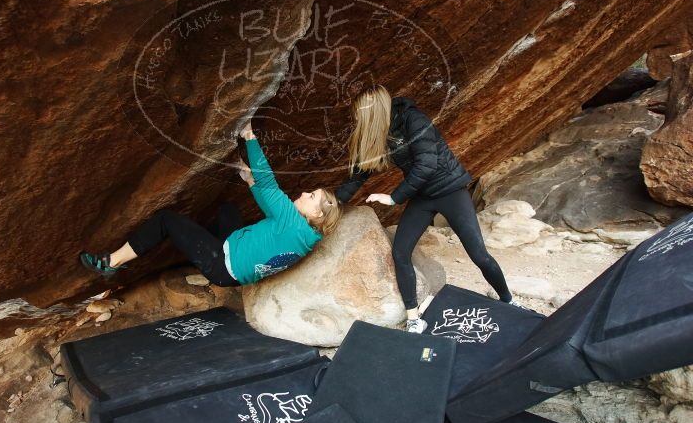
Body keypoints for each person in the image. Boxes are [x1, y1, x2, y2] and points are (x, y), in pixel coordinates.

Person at [335, 84, 519, 334]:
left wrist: (394, 198)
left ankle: (508, 300)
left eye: (359, 113)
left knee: (479, 255)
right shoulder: (379, 133)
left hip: (450, 190)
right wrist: (333, 203)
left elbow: (427, 164)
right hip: (422, 196)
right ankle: (413, 319)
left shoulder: (413, 119)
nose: (357, 119)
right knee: (400, 253)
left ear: (372, 112)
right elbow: (358, 175)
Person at [80, 120, 341, 286]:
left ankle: (111, 262)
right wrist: (250, 182)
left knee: (166, 220)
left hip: (222, 266)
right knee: (229, 211)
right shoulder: (305, 236)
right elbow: (269, 208)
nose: (306, 194)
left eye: (312, 197)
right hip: (234, 266)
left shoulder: (293, 222)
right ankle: (198, 242)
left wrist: (249, 134)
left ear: (317, 214)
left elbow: (269, 182)